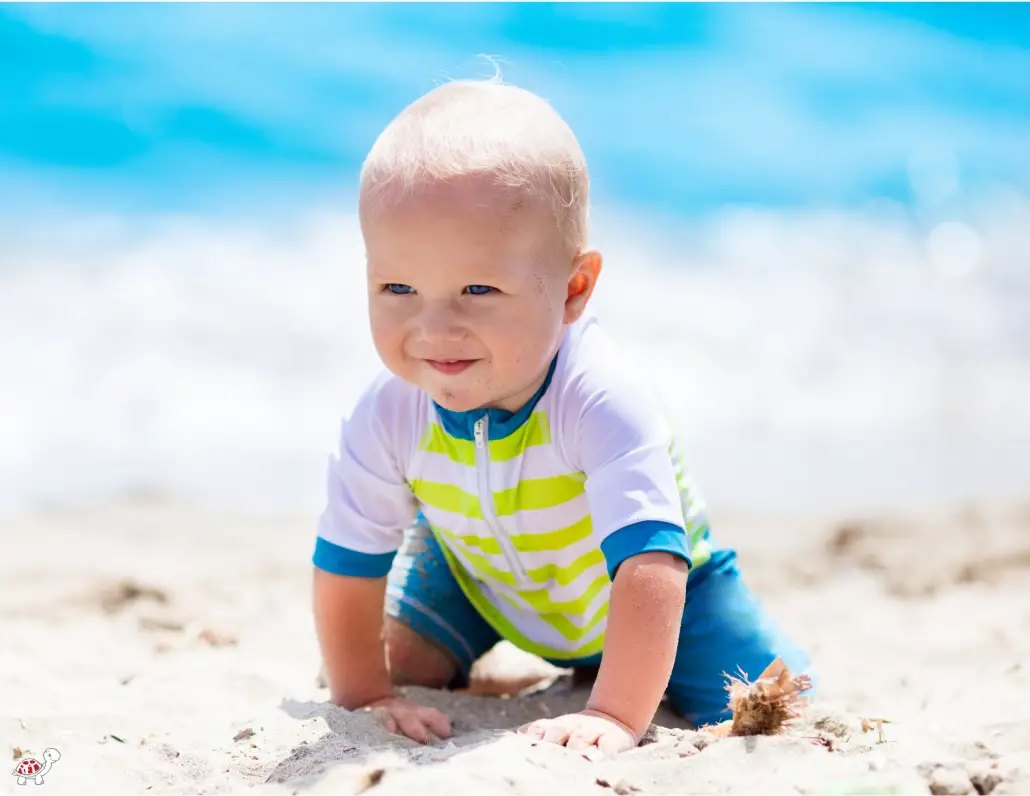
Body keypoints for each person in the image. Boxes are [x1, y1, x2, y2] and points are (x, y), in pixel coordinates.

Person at [312, 78, 811, 757]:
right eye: (397, 287)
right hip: (477, 576)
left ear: (574, 289)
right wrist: (366, 695)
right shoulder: (388, 411)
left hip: (665, 594)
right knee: (393, 665)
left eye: (478, 289)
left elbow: (650, 567)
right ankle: (522, 664)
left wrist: (611, 714)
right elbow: (348, 560)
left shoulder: (599, 397)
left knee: (780, 700)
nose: (433, 327)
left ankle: (613, 675)